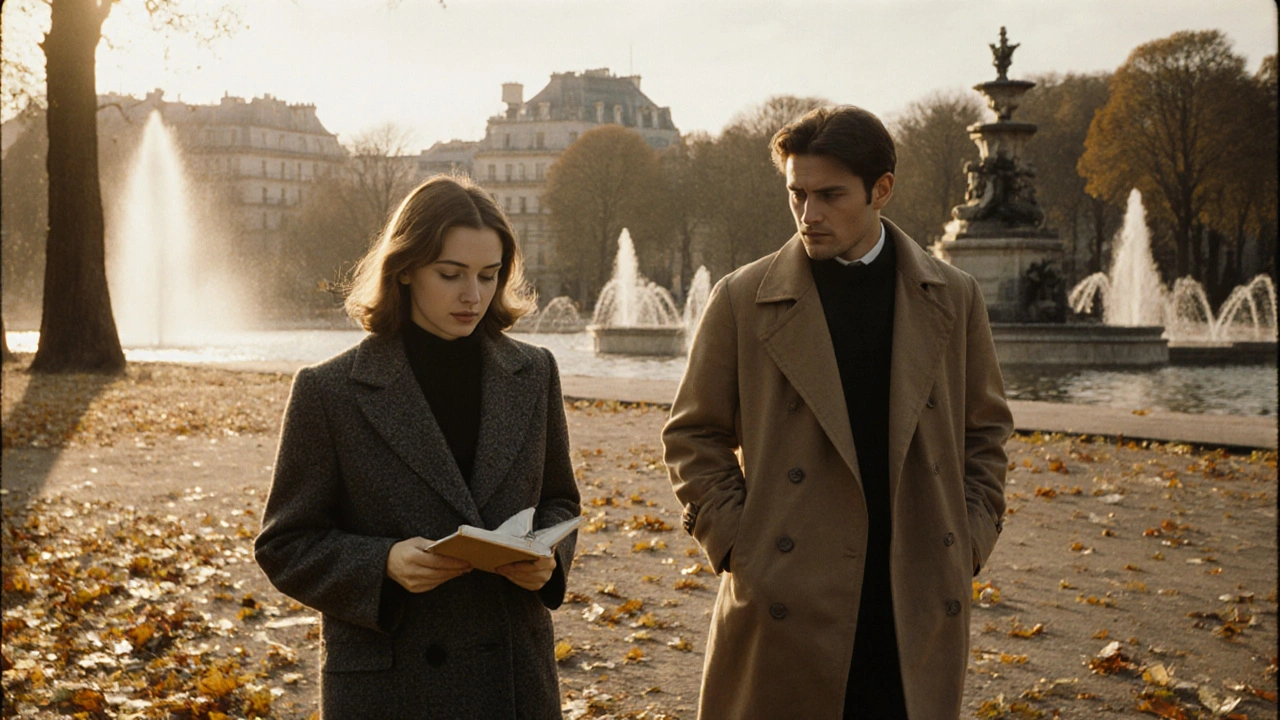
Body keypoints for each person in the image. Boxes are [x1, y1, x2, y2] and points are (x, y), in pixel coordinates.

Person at [662, 106, 1013, 719]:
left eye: (829, 195)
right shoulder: (743, 297)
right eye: (796, 194)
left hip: (916, 586)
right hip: (787, 594)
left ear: (882, 189)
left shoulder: (955, 296)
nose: (808, 214)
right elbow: (694, 435)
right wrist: (743, 548)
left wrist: (968, 544)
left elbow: (984, 432)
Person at [255, 176, 580, 719]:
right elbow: (285, 545)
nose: (473, 295)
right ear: (404, 268)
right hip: (392, 686)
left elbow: (560, 502)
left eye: (489, 275)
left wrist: (550, 561)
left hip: (514, 682)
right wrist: (382, 563)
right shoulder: (329, 390)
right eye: (450, 274)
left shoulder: (534, 371)